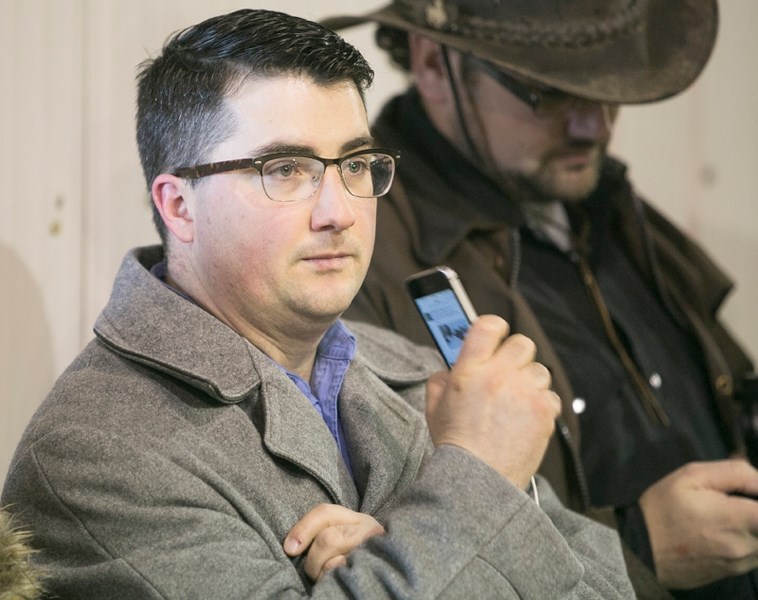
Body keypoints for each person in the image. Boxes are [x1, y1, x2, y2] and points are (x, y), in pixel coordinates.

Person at [0, 8, 634, 599]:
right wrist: (475, 480)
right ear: (178, 206)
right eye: (285, 169)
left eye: (356, 164)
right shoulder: (98, 454)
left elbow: (613, 586)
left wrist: (387, 550)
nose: (339, 212)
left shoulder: (409, 368)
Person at [322, 1, 758, 598]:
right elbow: (412, 548)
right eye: (547, 93)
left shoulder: (602, 200)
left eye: (608, 91)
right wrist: (635, 547)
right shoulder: (352, 256)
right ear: (432, 63)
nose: (594, 127)